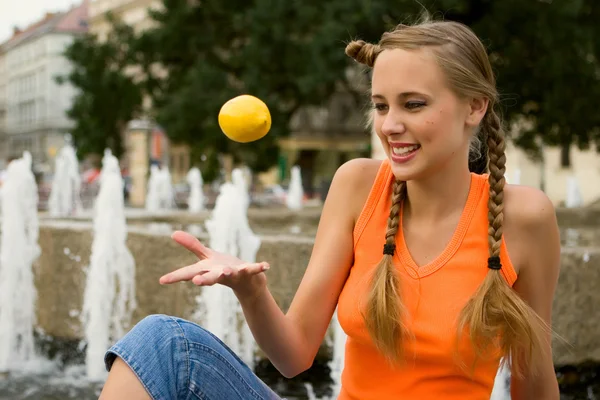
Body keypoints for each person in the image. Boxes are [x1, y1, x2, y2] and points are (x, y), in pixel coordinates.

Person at [99, 18, 561, 400]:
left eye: (413, 104)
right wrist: (253, 292)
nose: (390, 125)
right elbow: (294, 355)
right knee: (162, 343)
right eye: (380, 106)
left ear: (475, 106)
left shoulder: (526, 219)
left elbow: (535, 383)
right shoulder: (357, 185)